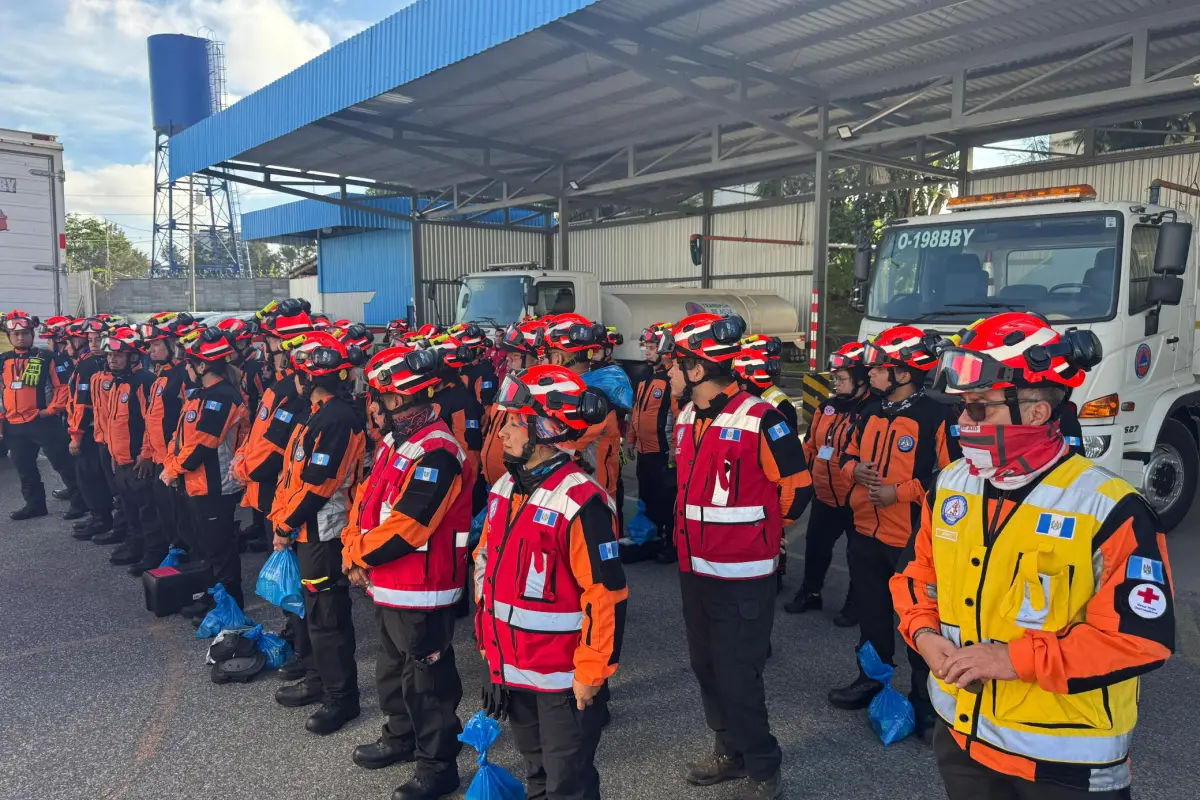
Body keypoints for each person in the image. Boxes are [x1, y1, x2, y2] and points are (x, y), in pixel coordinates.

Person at [892, 312, 1172, 799]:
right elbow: (918, 577)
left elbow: (1139, 639)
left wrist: (1013, 660)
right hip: (964, 738)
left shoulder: (1110, 507)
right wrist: (924, 633)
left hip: (1064, 758)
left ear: (1037, 413)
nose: (962, 423)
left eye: (979, 409)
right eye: (961, 408)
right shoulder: (950, 485)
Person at [663, 313, 812, 800]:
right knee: (705, 665)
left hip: (743, 574)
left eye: (675, 364)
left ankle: (764, 767)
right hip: (695, 570)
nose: (668, 371)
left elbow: (797, 488)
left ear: (699, 370)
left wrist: (767, 532)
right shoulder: (688, 416)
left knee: (738, 674)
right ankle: (728, 751)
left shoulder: (762, 419)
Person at [474, 364, 628, 800]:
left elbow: (607, 597)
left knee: (569, 784)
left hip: (563, 680)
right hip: (516, 671)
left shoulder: (583, 503)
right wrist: (493, 654)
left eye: (514, 423)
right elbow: (486, 567)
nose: (502, 433)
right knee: (537, 775)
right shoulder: (507, 487)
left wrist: (592, 674)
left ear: (545, 428)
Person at [341, 342, 474, 800]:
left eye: (377, 398)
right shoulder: (400, 443)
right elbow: (367, 501)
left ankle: (438, 766)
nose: (372, 406)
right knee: (392, 669)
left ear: (396, 399)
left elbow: (409, 528)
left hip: (423, 586)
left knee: (428, 683)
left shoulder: (437, 452)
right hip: (391, 583)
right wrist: (353, 547)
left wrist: (358, 555)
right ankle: (401, 737)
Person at [829, 325, 957, 742]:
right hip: (864, 531)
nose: (871, 374)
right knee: (872, 614)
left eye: (880, 368)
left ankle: (925, 702)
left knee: (920, 621)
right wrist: (854, 470)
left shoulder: (937, 416)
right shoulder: (870, 412)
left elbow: (952, 478)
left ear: (903, 372)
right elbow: (847, 454)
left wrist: (899, 492)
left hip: (911, 540)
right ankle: (871, 681)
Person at [270, 331, 367, 735]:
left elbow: (319, 483)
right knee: (311, 612)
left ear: (306, 379)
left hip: (323, 532)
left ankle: (341, 698)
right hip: (305, 529)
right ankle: (317, 677)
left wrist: (285, 525)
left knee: (328, 617)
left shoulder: (337, 418)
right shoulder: (318, 412)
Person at [162, 326, 249, 615]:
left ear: (202, 365)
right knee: (204, 547)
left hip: (215, 486)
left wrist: (173, 470)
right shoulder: (202, 393)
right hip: (197, 484)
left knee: (220, 551)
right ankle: (213, 598)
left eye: (189, 362)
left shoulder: (221, 397)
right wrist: (173, 466)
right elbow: (183, 437)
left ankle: (230, 608)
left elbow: (203, 444)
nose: (185, 367)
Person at [784, 342, 873, 623]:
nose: (835, 383)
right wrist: (802, 477)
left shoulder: (874, 412)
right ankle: (810, 593)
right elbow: (811, 444)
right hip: (823, 495)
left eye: (842, 378)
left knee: (857, 556)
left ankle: (856, 603)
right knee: (816, 547)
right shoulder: (828, 407)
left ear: (862, 379)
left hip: (856, 500)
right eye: (834, 377)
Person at [234, 306, 317, 557]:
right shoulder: (282, 384)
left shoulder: (296, 389)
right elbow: (259, 433)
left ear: (285, 344)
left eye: (269, 339)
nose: (265, 347)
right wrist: (242, 458)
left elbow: (276, 448)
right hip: (269, 489)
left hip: (282, 494)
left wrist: (243, 469)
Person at [96, 327, 164, 571]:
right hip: (121, 460)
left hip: (139, 461)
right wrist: (114, 454)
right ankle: (136, 545)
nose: (112, 359)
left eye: (118, 355)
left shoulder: (144, 381)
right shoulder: (117, 382)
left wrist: (146, 454)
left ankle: (154, 553)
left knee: (148, 512)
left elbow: (152, 422)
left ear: (133, 356)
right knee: (130, 508)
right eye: (110, 356)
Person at [0, 310, 80, 521]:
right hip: (14, 425)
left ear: (32, 333)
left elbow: (63, 388)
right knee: (24, 468)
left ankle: (80, 503)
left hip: (43, 421)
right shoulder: (3, 360)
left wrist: (51, 410)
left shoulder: (47, 357)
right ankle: (34, 505)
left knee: (62, 463)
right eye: (16, 334)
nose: (21, 337)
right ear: (9, 336)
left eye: (25, 333)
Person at [731, 333, 796, 591]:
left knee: (773, 528)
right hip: (756, 473)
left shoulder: (776, 402)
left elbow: (785, 451)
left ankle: (776, 572)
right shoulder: (760, 396)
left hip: (770, 477)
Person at [537, 314, 622, 498]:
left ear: (558, 359)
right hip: (581, 492)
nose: (543, 362)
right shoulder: (585, 393)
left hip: (590, 496)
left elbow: (560, 447)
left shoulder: (588, 400)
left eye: (547, 356)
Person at [137, 316, 194, 572]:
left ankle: (191, 565)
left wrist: (176, 464)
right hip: (161, 462)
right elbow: (152, 419)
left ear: (173, 345)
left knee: (185, 519)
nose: (150, 351)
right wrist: (147, 452)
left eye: (156, 345)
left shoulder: (184, 376)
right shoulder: (161, 376)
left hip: (178, 464)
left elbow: (190, 428)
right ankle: (176, 556)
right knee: (167, 515)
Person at [624, 322, 677, 563]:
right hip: (645, 452)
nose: (647, 352)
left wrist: (675, 450)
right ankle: (652, 537)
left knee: (666, 499)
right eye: (646, 347)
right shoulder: (645, 378)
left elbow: (677, 418)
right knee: (647, 495)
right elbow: (636, 412)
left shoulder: (671, 380)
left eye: (652, 347)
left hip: (663, 453)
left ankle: (671, 543)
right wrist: (631, 441)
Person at [65, 317, 116, 539]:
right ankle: (99, 514)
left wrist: (76, 436)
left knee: (92, 476)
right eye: (90, 339)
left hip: (93, 431)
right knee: (93, 476)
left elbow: (84, 405)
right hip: (95, 430)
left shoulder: (104, 363)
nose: (94, 343)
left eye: (99, 338)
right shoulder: (87, 362)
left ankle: (102, 519)